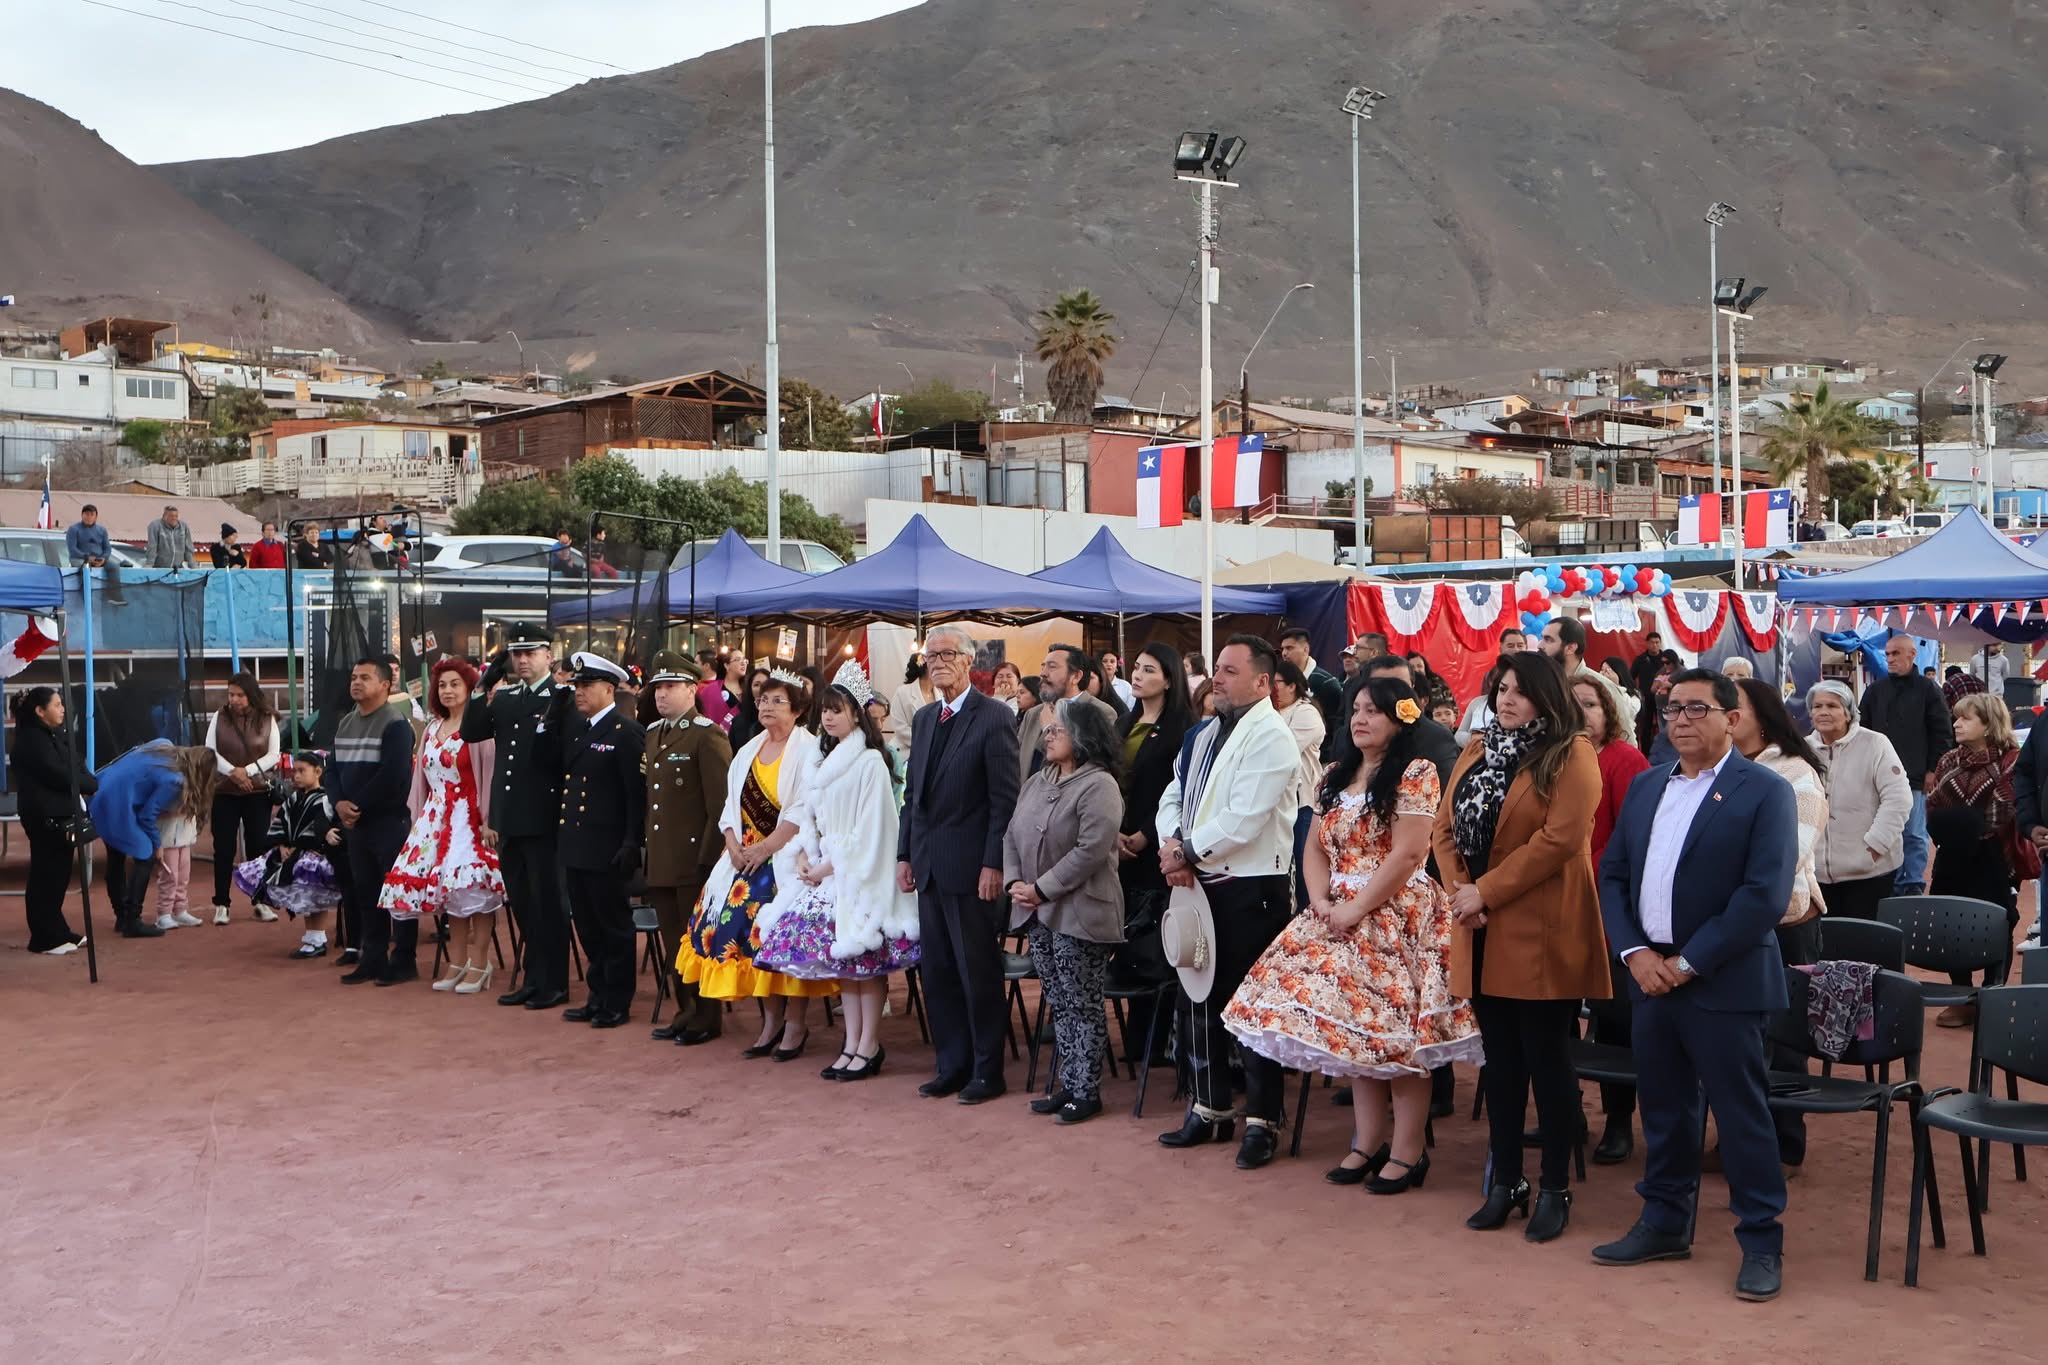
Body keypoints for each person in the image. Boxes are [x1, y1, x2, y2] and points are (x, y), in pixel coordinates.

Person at [1225, 676, 1483, 1193]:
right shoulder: (1334, 774)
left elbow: (1409, 853)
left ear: (1400, 719)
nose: (1361, 719)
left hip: (1395, 915)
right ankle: (1367, 1142)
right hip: (1336, 911)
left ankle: (1409, 1151)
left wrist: (1357, 907)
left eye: (1375, 711)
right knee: (1355, 1034)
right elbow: (1316, 847)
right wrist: (1321, 902)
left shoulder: (1416, 772)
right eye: (1357, 709)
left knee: (1399, 1038)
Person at [1593, 668, 1797, 1303]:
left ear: (1731, 718)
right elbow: (1614, 876)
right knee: (1665, 1109)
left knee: (1741, 1117)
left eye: (1696, 709)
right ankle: (1664, 1222)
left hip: (1721, 981)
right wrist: (1633, 953)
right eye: (1672, 708)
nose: (1680, 720)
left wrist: (1687, 963)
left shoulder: (1764, 791)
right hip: (1649, 979)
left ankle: (1761, 1240)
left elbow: (1764, 895)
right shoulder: (1650, 787)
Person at [1433, 651, 1609, 1243]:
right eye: (1499, 688)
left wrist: (1484, 891)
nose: (1505, 699)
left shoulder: (1571, 752)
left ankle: (1556, 1185)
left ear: (1546, 697)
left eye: (1519, 691)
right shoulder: (1478, 747)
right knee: (1501, 1066)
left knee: (1548, 1062)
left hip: (1541, 926)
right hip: (1480, 924)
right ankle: (1506, 1180)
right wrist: (1463, 891)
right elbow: (1443, 825)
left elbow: (1559, 840)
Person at [1154, 635, 1300, 1168]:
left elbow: (1245, 817)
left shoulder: (1273, 736)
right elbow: (1172, 794)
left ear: (1263, 682)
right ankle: (1209, 1106)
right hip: (1197, 879)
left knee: (1251, 1007)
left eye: (1231, 671)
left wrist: (1185, 851)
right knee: (1198, 997)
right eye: (1217, 668)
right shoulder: (1201, 733)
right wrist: (1174, 844)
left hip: (1249, 886)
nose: (1218, 678)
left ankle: (1263, 1121)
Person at [755, 665, 917, 1078]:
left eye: (838, 710)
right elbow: (810, 818)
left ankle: (869, 1044)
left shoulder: (870, 764)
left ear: (857, 715)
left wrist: (832, 863)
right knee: (846, 965)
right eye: (825, 710)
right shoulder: (820, 762)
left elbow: (875, 829)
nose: (829, 718)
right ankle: (852, 1044)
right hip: (830, 873)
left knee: (866, 962)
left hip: (860, 875)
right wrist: (807, 854)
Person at [897, 624, 1022, 1104]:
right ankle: (951, 1064)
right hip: (928, 866)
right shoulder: (926, 718)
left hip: (973, 869)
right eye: (931, 656)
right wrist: (905, 854)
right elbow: (913, 797)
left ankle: (988, 1071)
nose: (938, 662)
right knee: (940, 973)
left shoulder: (992, 717)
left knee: (977, 971)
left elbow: (1003, 801)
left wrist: (994, 864)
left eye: (948, 654)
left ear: (970, 662)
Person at [683, 668, 837, 1052]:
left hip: (788, 858)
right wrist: (733, 844)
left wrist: (766, 849)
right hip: (742, 860)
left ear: (798, 710)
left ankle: (796, 1026)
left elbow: (804, 810)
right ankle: (770, 1023)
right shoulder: (748, 748)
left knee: (784, 941)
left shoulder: (810, 749)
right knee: (744, 940)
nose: (767, 706)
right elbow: (729, 806)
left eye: (777, 701)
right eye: (763, 700)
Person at [1004, 697, 1126, 1123]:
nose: (1047, 737)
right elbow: (1011, 833)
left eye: (1056, 731)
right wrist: (1014, 883)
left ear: (1082, 736)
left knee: (1081, 1002)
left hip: (1080, 911)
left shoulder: (1099, 785)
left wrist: (1041, 888)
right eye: (1048, 730)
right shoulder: (1039, 779)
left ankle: (1086, 1090)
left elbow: (1090, 851)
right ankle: (1069, 1083)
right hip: (1036, 910)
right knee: (1058, 999)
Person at [1731, 676, 1831, 1171]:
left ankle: (1782, 1144)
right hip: (1732, 920)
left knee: (1783, 1041)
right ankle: (1741, 1142)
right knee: (1736, 1039)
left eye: (1736, 707)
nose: (1724, 715)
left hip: (1784, 922)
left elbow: (1786, 856)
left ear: (1764, 718)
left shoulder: (1796, 774)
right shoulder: (1719, 770)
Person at [380, 658, 505, 994]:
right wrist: (418, 818)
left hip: (470, 816)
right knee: (451, 894)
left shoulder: (480, 727)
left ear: (469, 688)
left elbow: (490, 776)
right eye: (443, 685)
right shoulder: (432, 727)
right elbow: (420, 778)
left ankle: (481, 962)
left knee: (474, 889)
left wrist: (488, 818)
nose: (447, 691)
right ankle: (458, 961)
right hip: (435, 817)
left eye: (455, 684)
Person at [462, 623, 570, 1009]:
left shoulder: (561, 698)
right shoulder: (506, 700)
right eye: (516, 654)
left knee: (548, 904)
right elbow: (472, 731)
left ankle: (554, 982)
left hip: (542, 816)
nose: (522, 660)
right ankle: (533, 977)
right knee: (523, 903)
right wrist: (480, 688)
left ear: (548, 656)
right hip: (510, 818)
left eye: (531, 653)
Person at [545, 652, 648, 1027]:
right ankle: (597, 994)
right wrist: (555, 706)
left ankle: (617, 1000)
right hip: (576, 843)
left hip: (607, 847)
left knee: (613, 926)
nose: (579, 693)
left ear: (609, 689)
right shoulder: (579, 729)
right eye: (576, 687)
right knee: (587, 926)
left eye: (586, 686)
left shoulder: (625, 732)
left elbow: (635, 796)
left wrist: (630, 843)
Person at [1573, 672, 1651, 1166]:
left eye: (1590, 704)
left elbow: (1633, 840)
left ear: (1610, 712)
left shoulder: (1626, 760)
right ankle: (1568, 1114)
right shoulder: (1552, 757)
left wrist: (1584, 871)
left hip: (1606, 907)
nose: (1581, 713)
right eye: (1572, 704)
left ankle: (1619, 1122)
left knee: (1613, 1021)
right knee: (1556, 1018)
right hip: (1557, 909)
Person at [642, 652, 735, 1044]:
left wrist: (708, 862)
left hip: (694, 857)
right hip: (662, 856)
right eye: (658, 687)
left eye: (670, 687)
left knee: (698, 940)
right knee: (672, 939)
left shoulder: (706, 734)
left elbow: (720, 806)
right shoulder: (653, 733)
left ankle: (706, 1016)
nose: (661, 695)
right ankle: (685, 1009)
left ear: (692, 689)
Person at [1113, 643, 1193, 1058]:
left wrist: (1145, 834)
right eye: (1137, 668)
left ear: (1168, 678)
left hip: (1157, 846)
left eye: (1148, 670)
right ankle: (1136, 1037)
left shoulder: (1181, 728)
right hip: (1118, 845)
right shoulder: (1124, 724)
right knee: (1128, 937)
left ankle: (1154, 1039)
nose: (1138, 676)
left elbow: (1173, 791)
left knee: (1155, 941)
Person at [1927, 692, 2022, 1027]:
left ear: (1988, 722)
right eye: (1956, 717)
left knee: (1999, 923)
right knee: (1951, 924)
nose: (1956, 723)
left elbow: (2001, 811)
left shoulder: (2012, 760)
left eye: (1965, 718)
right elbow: (1934, 806)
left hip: (1995, 857)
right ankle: (1964, 998)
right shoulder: (1949, 760)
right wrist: (1961, 824)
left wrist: (1959, 823)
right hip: (1952, 855)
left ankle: (1992, 995)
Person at [332, 657, 420, 986]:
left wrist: (356, 805)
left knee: (397, 892)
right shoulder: (345, 723)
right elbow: (332, 770)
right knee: (366, 892)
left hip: (387, 821)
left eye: (365, 677)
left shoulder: (396, 724)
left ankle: (404, 960)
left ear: (385, 685)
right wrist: (338, 802)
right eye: (354, 677)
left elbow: (393, 775)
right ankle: (372, 958)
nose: (356, 682)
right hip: (356, 824)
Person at [1806, 680, 1912, 921]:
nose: (1823, 712)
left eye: (1832, 706)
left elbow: (1898, 799)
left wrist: (1874, 846)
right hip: (1818, 874)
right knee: (1826, 948)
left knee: (1866, 947)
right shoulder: (1802, 749)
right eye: (1817, 706)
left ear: (1848, 712)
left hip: (1869, 872)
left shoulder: (1876, 743)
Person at [90, 743, 217, 940]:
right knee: (145, 856)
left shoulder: (162, 745)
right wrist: (157, 845)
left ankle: (123, 917)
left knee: (116, 859)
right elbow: (148, 815)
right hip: (117, 806)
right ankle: (132, 920)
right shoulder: (174, 780)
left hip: (103, 791)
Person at [1861, 632, 1954, 895]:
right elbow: (1861, 732)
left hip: (1914, 776)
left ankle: (1912, 885)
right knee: (1881, 833)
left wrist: (1932, 769)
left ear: (1912, 655)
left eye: (1895, 653)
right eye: (1887, 653)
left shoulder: (1929, 690)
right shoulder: (1875, 691)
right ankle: (1885, 884)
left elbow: (1941, 732)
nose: (1889, 659)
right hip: (1877, 779)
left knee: (1913, 835)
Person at [234, 750, 344, 956]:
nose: (297, 775)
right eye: (294, 771)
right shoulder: (293, 799)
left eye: (302, 771)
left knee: (314, 897)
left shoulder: (325, 799)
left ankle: (317, 938)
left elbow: (320, 827)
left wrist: (302, 845)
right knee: (306, 898)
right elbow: (281, 822)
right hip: (293, 854)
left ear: (318, 771)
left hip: (313, 856)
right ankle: (312, 938)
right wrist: (281, 844)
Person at [13, 687, 94, 955]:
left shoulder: (54, 736)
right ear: (40, 710)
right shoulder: (31, 740)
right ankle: (43, 937)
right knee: (45, 875)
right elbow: (57, 774)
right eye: (57, 704)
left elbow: (76, 763)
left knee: (59, 874)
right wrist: (86, 782)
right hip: (43, 815)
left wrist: (87, 779)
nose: (62, 709)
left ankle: (57, 930)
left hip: (61, 813)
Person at [204, 672, 282, 926]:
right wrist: (233, 773)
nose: (234, 699)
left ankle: (260, 900)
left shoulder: (268, 718)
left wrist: (246, 771)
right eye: (231, 695)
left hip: (257, 792)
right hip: (224, 791)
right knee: (223, 849)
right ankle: (222, 904)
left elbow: (273, 755)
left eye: (239, 695)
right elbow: (210, 751)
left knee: (257, 848)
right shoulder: (219, 716)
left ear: (251, 695)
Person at [1018, 645, 1119, 783]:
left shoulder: (1101, 712)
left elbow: (1084, 766)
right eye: (1043, 667)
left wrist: (1049, 728)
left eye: (1052, 667)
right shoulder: (1033, 714)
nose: (1043, 673)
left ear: (1076, 676)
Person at [1272, 658, 1327, 905]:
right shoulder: (1271, 712)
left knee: (1305, 864)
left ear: (1292, 685)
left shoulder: (1306, 712)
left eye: (1276, 683)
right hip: (1275, 804)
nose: (1272, 690)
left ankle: (1309, 911)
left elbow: (1282, 753)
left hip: (1302, 803)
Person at [1363, 655, 1461, 784]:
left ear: (1412, 688)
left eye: (1400, 686)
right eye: (1381, 686)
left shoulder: (1435, 738)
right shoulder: (1353, 733)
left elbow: (1445, 795)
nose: (1390, 694)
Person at [1541, 614, 1638, 733]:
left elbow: (1625, 734)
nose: (1540, 645)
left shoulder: (1602, 686)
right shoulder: (1543, 682)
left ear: (1570, 648)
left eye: (1548, 640)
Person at [150, 760, 208, 931]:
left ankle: (180, 909)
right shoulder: (170, 784)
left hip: (185, 834)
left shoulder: (195, 785)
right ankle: (164, 913)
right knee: (170, 875)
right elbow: (160, 808)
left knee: (183, 874)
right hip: (168, 836)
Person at [1279, 627, 1344, 749]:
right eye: (1282, 649)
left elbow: (1336, 724)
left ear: (1305, 649)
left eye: (1289, 648)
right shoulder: (1283, 681)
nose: (1284, 653)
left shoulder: (1325, 682)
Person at [890, 652, 938, 756]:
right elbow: (900, 728)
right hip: (906, 753)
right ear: (925, 668)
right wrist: (928, 740)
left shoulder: (941, 694)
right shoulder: (903, 692)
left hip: (934, 753)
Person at [699, 651, 746, 733]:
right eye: (738, 659)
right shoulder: (710, 691)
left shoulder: (749, 689)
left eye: (745, 660)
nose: (743, 663)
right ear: (726, 665)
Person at [728, 665, 771, 749]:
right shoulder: (738, 722)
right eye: (756, 685)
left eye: (765, 684)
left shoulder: (778, 719)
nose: (761, 688)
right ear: (750, 689)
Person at [1405, 652, 1458, 718]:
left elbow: (1452, 705)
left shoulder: (1437, 682)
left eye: (1419, 666)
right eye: (1412, 667)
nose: (1416, 670)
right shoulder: (1405, 686)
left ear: (1425, 668)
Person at [146, 504, 196, 569]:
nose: (174, 518)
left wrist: (193, 568)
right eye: (171, 516)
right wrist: (149, 567)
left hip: (178, 568)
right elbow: (152, 546)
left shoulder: (184, 527)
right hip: (159, 568)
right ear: (164, 516)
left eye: (176, 516)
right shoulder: (155, 526)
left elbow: (188, 548)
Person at [1629, 630, 1667, 703]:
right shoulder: (1640, 660)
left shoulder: (1666, 659)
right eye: (1652, 642)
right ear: (1647, 643)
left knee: (1663, 715)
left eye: (1657, 642)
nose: (1655, 645)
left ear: (1660, 643)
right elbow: (1631, 677)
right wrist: (1634, 691)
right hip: (1645, 697)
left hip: (1662, 696)